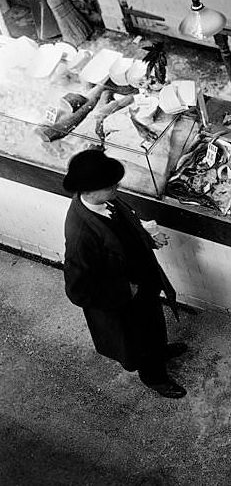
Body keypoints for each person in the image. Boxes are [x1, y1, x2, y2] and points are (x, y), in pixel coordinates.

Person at [62, 149, 187, 399]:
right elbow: (77, 291)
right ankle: (155, 377)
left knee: (154, 325)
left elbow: (126, 228)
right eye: (111, 185)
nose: (117, 187)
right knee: (141, 340)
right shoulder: (80, 236)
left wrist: (149, 238)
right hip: (123, 301)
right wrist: (125, 291)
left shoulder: (105, 201)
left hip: (142, 282)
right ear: (89, 190)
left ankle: (160, 351)